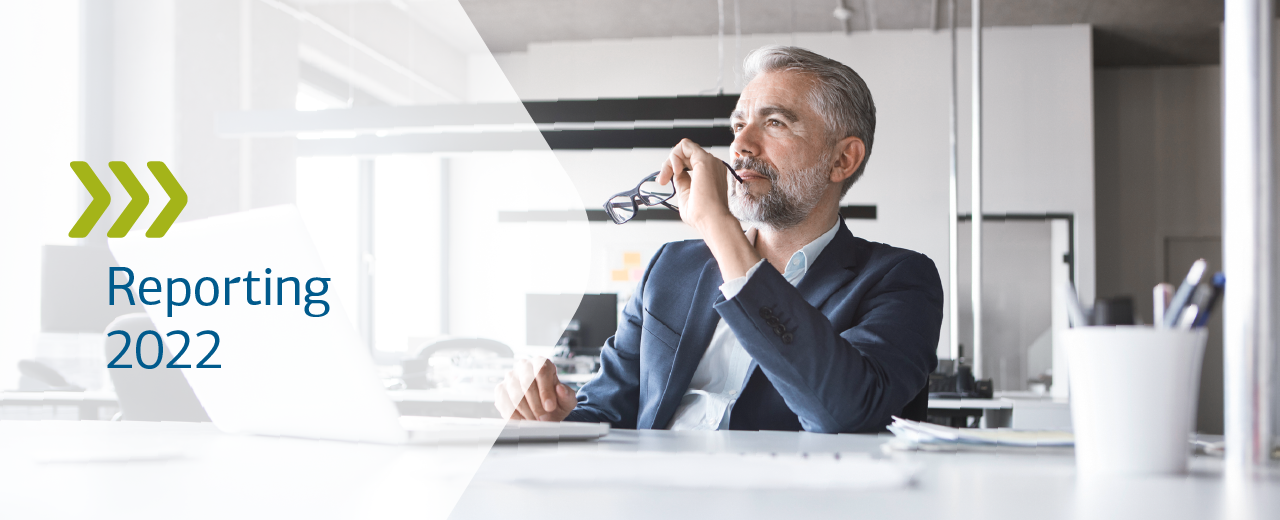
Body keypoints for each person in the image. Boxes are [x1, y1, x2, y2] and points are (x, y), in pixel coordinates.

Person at [495, 45, 943, 433]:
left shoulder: (899, 279)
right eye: (738, 125)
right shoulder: (670, 268)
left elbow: (845, 414)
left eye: (775, 124)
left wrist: (718, 227)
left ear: (843, 159)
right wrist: (549, 413)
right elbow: (606, 411)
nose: (741, 145)